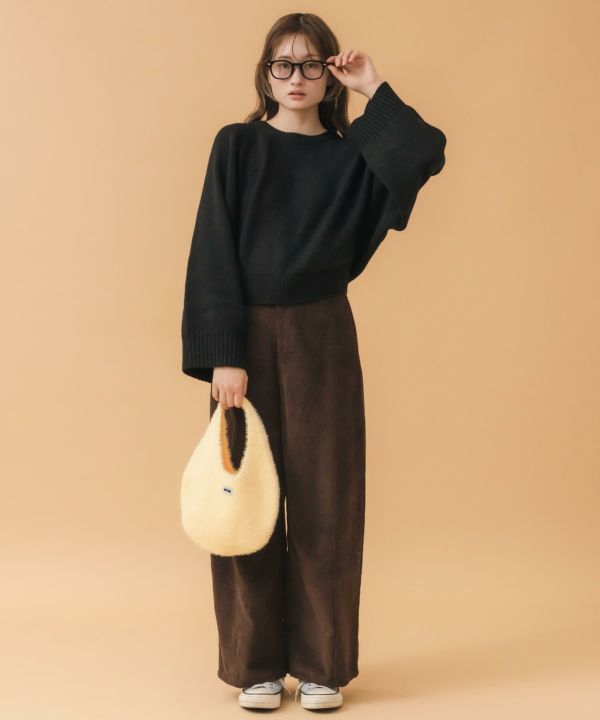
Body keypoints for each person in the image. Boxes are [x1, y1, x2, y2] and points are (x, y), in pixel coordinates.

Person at [180, 11, 446, 711]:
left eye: (310, 65)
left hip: (324, 333)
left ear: (329, 75)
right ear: (265, 75)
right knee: (246, 499)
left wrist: (372, 86)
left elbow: (424, 151)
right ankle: (256, 666)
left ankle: (323, 663)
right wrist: (223, 354)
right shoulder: (237, 146)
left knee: (329, 498)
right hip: (246, 342)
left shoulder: (352, 158)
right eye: (283, 64)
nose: (295, 77)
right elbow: (212, 249)